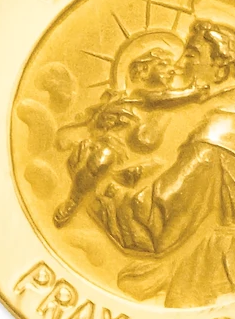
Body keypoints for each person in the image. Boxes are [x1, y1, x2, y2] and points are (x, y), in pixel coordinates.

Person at [93, 20, 235, 308]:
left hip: (227, 268)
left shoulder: (219, 136)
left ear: (220, 69)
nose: (180, 65)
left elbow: (159, 220)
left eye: (191, 55)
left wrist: (100, 192)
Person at [52, 48, 208, 228]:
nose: (172, 70)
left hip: (144, 160)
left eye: (171, 66)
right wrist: (191, 93)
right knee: (103, 158)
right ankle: (74, 200)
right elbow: (159, 99)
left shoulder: (172, 110)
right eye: (163, 65)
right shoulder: (140, 96)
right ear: (144, 70)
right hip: (113, 145)